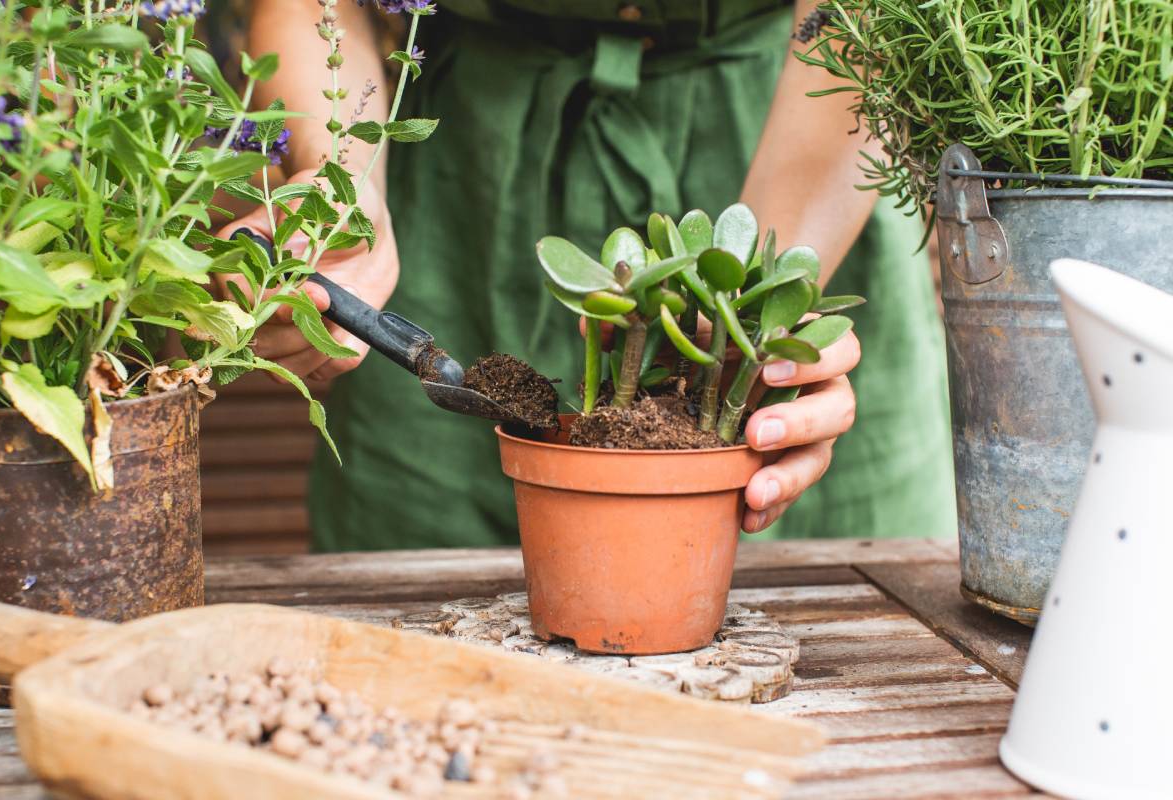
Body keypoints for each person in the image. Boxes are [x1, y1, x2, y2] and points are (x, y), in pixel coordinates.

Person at [220, 0, 955, 550]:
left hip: (800, 142)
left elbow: (866, 24)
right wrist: (339, 178)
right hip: (461, 191)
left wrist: (762, 307)